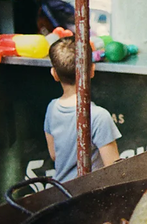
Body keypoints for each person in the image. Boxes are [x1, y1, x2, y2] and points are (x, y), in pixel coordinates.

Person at [45, 36, 121, 182]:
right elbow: (114, 169)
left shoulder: (52, 108)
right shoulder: (99, 116)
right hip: (87, 196)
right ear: (92, 70)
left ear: (54, 74)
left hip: (59, 191)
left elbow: (54, 155)